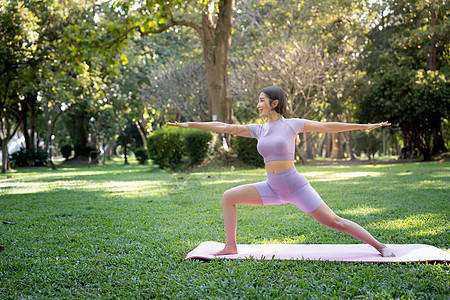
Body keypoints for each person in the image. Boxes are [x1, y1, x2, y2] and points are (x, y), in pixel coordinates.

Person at [167, 86, 395, 257]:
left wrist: (364, 126)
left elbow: (327, 127)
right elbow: (226, 127)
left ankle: (380, 246)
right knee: (229, 197)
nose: (258, 105)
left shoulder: (292, 124)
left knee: (335, 222)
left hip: (295, 186)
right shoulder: (258, 129)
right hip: (271, 188)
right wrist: (190, 124)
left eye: (262, 100)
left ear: (275, 103)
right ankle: (230, 246)